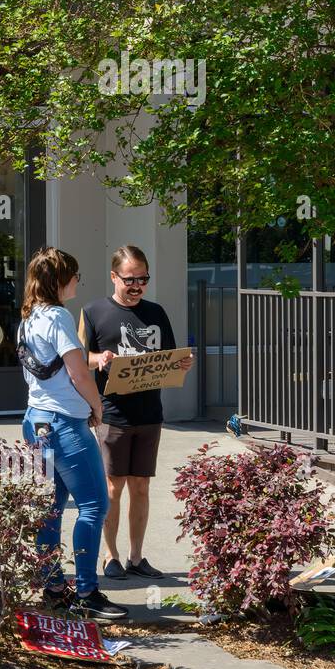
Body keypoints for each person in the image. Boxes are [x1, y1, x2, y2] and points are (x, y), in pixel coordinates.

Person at [18, 246, 128, 623]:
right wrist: (96, 408)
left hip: (37, 420)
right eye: (75, 274)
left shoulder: (28, 318)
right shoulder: (59, 317)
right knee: (95, 505)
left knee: (51, 508)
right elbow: (79, 373)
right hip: (66, 422)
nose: (78, 281)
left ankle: (52, 586)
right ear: (60, 280)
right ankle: (87, 591)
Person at [80, 244, 193, 581]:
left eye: (142, 279)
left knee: (141, 487)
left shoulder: (156, 312)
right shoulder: (93, 311)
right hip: (111, 413)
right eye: (129, 279)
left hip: (149, 413)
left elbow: (172, 357)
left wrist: (184, 363)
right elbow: (77, 357)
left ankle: (136, 556)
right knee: (113, 488)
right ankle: (110, 556)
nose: (136, 286)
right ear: (114, 277)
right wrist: (98, 359)